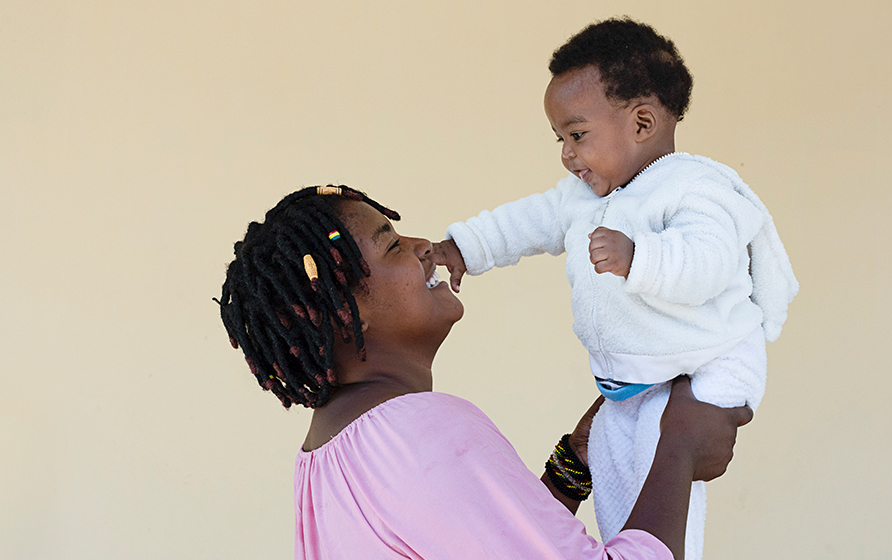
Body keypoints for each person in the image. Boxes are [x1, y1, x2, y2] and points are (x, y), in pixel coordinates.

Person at [216, 185, 753, 559]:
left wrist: (574, 463)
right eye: (391, 245)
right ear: (337, 313)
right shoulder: (421, 430)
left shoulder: (324, 459)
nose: (424, 247)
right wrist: (677, 447)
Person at [430, 17, 798, 559]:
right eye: (559, 139)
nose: (566, 154)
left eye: (576, 135)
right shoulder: (581, 197)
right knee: (616, 475)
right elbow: (523, 222)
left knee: (674, 468)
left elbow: (711, 261)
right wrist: (464, 248)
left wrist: (640, 257)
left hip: (713, 361)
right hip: (636, 379)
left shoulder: (697, 186)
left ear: (643, 123)